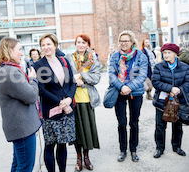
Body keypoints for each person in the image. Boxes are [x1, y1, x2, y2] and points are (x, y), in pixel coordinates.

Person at [0, 37, 41, 171]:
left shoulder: (7, 69)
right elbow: (31, 96)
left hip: (19, 127)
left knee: (18, 164)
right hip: (22, 128)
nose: (22, 53)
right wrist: (33, 79)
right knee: (25, 167)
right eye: (20, 50)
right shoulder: (10, 72)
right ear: (9, 50)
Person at [33, 33, 76, 172]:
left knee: (62, 144)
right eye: (43, 45)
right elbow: (41, 90)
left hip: (67, 109)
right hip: (50, 111)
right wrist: (61, 103)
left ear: (55, 45)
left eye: (48, 44)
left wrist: (69, 99)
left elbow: (72, 83)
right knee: (50, 145)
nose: (46, 47)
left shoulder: (64, 61)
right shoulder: (38, 65)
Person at [108, 30, 147, 162]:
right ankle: (123, 150)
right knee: (122, 123)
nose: (124, 43)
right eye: (121, 41)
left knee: (134, 123)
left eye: (126, 41)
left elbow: (142, 75)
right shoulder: (115, 56)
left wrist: (129, 87)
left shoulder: (140, 56)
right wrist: (122, 86)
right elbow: (112, 74)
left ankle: (133, 150)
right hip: (119, 93)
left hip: (135, 93)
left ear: (132, 42)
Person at [65, 34, 101, 171]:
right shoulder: (69, 58)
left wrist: (81, 76)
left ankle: (87, 157)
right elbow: (66, 76)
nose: (81, 44)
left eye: (84, 42)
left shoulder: (93, 59)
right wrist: (74, 80)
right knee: (77, 131)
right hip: (73, 99)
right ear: (75, 44)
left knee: (87, 130)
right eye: (78, 42)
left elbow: (96, 77)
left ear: (88, 44)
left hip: (87, 99)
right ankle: (78, 157)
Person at [151, 43, 189, 159]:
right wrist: (170, 88)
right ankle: (159, 148)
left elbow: (187, 82)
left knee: (177, 125)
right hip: (162, 101)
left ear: (175, 54)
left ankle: (176, 146)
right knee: (160, 126)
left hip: (179, 100)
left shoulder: (184, 67)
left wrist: (179, 90)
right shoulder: (159, 66)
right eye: (164, 53)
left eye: (169, 53)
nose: (166, 55)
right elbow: (155, 81)